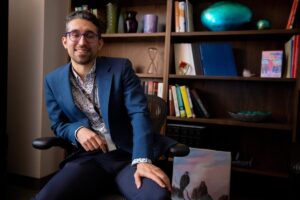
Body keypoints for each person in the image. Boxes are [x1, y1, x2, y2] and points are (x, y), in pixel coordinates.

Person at [33, 10, 178, 200]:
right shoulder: (52, 80)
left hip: (128, 156)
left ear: (99, 43)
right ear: (65, 41)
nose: (82, 42)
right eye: (75, 34)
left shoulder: (121, 68)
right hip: (88, 159)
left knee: (156, 196)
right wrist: (77, 131)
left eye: (90, 35)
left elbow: (138, 112)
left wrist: (142, 159)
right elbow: (58, 124)